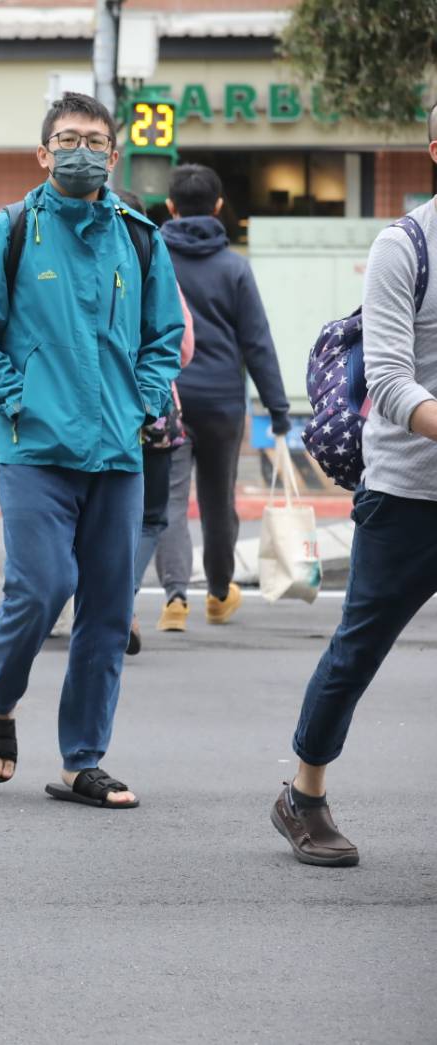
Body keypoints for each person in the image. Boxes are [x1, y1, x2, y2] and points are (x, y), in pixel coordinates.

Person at [0, 92, 184, 809]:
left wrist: (141, 400)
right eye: (66, 139)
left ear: (113, 156)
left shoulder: (141, 238)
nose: (80, 150)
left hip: (116, 452)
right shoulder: (11, 231)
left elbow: (162, 336)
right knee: (43, 584)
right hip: (34, 449)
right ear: (42, 153)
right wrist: (14, 399)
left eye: (93, 140)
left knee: (108, 610)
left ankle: (82, 758)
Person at [272, 113, 437, 868]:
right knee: (355, 651)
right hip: (407, 492)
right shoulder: (404, 246)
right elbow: (389, 381)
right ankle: (302, 795)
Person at [153, 164, 292, 631]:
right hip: (223, 404)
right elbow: (257, 341)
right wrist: (277, 407)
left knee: (170, 501)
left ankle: (174, 598)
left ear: (170, 208)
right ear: (217, 207)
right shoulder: (235, 267)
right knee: (217, 501)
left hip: (168, 399)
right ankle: (217, 593)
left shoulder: (155, 261)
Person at [106, 190, 195, 657]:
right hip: (151, 413)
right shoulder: (152, 260)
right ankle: (121, 605)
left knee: (89, 513)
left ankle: (94, 600)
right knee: (149, 517)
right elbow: (183, 348)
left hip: (91, 412)